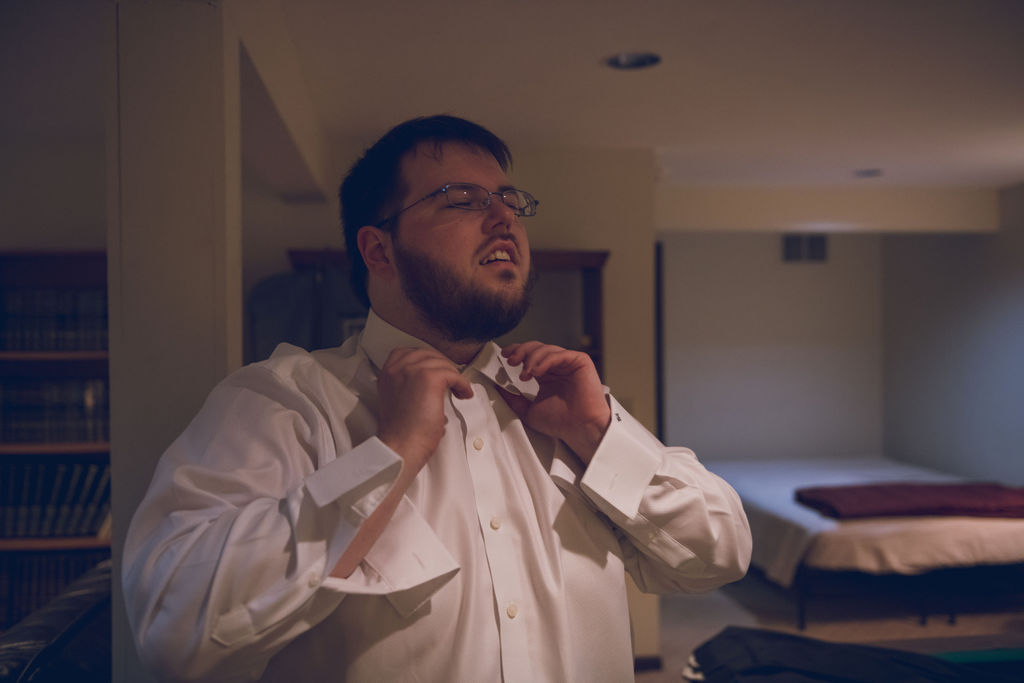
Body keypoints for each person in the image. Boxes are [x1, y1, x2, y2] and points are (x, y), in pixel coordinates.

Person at [122, 115, 752, 683]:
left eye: (509, 201)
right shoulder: (282, 404)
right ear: (379, 249)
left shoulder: (568, 406)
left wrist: (599, 434)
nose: (504, 219)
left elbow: (720, 555)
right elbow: (175, 634)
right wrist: (389, 456)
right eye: (463, 200)